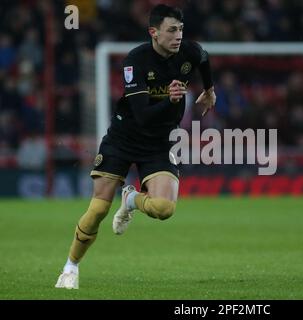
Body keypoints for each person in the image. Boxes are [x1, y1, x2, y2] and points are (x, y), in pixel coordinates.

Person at [55, 4, 216, 289]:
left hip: (161, 141)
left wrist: (209, 90)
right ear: (154, 33)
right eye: (171, 30)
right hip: (124, 137)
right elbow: (142, 115)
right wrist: (171, 99)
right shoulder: (136, 61)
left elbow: (203, 57)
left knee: (165, 209)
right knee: (97, 211)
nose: (178, 36)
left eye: (180, 29)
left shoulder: (188, 52)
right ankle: (71, 267)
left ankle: (130, 199)